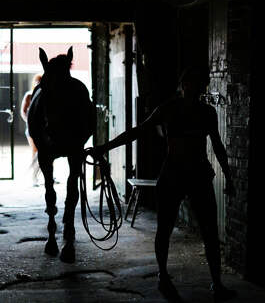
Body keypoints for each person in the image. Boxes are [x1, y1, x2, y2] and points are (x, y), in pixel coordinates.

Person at [89, 66, 237, 302]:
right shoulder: (170, 109)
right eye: (189, 83)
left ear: (201, 87)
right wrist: (104, 148)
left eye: (196, 84)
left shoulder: (207, 113)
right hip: (175, 173)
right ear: (182, 86)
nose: (192, 88)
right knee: (165, 228)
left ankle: (216, 282)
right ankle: (163, 275)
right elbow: (137, 132)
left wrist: (228, 176)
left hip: (197, 173)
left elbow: (218, 145)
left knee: (209, 231)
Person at [21, 73, 43, 186]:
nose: (39, 84)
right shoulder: (29, 95)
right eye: (37, 82)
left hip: (44, 129)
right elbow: (23, 112)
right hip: (32, 129)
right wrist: (30, 123)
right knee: (35, 152)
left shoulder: (45, 95)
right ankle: (34, 177)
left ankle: (49, 176)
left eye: (41, 81)